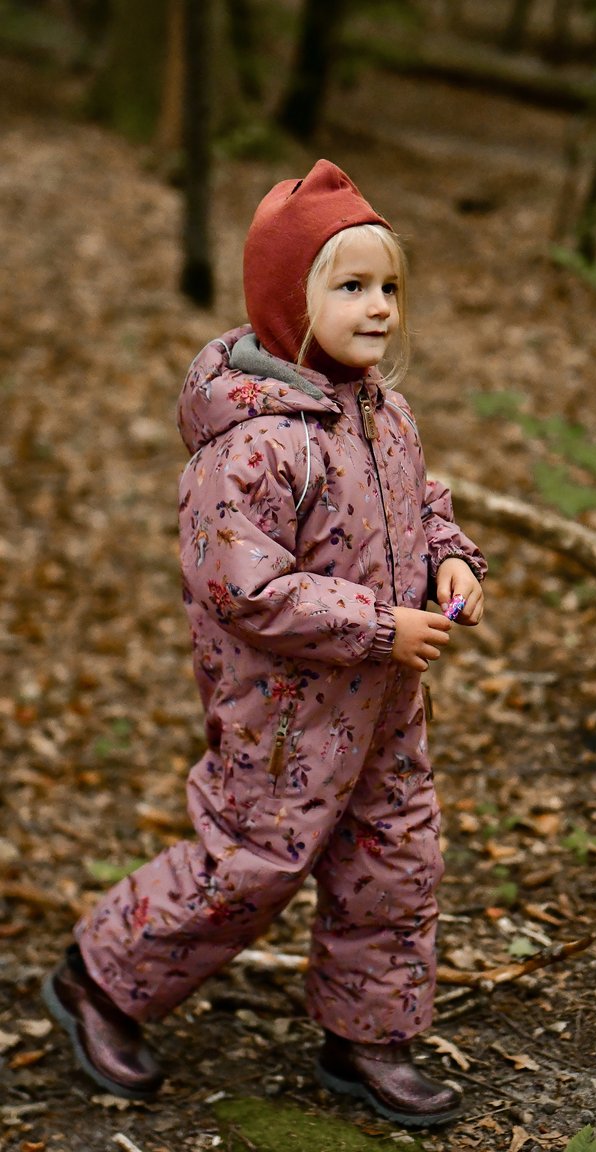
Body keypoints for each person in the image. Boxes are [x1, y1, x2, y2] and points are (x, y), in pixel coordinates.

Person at [43, 159, 486, 1129]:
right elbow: (241, 586)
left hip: (384, 707)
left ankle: (366, 1033)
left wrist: (452, 564)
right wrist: (379, 627)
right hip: (285, 715)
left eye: (389, 288)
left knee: (395, 855)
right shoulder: (252, 444)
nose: (378, 309)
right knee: (250, 861)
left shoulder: (385, 414)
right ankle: (103, 978)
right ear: (292, 300)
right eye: (350, 286)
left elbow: (423, 508)